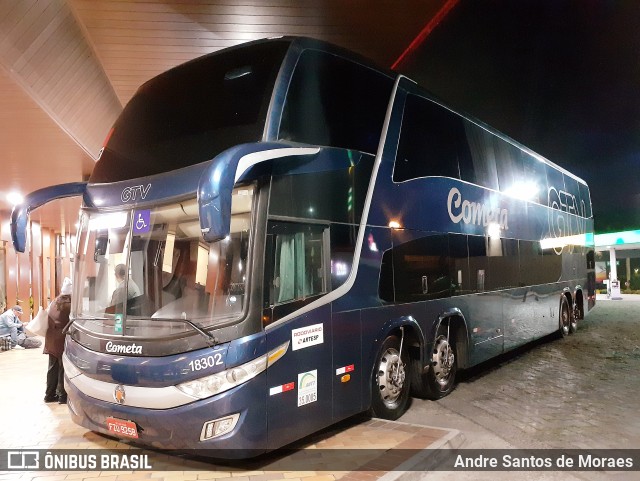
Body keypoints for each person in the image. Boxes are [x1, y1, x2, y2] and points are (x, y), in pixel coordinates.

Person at [44, 277, 72, 404]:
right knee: (62, 367)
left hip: (50, 337)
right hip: (61, 338)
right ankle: (62, 396)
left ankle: (49, 395)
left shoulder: (54, 301)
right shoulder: (70, 304)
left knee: (52, 367)